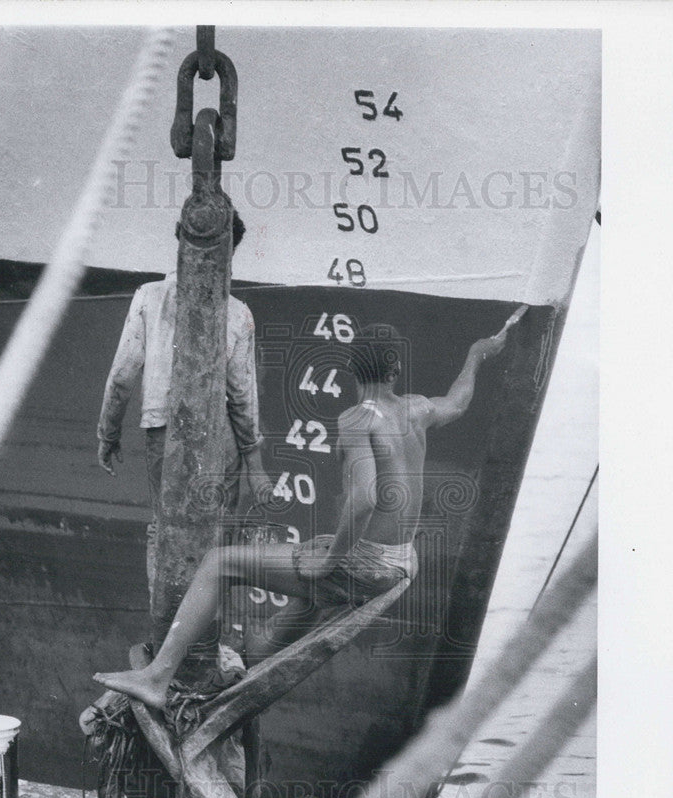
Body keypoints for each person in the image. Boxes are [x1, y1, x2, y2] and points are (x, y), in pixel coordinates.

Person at [94, 307, 526, 710]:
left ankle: (156, 677)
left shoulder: (358, 419)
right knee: (308, 587)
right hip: (401, 561)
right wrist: (476, 355)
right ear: (395, 369)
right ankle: (250, 667)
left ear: (353, 369)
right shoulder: (417, 408)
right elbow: (460, 401)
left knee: (218, 563)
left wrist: (332, 559)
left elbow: (364, 500)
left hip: (368, 565)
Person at [96, 210, 273, 598]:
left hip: (163, 428)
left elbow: (124, 375)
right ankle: (203, 635)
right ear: (230, 253)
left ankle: (163, 633)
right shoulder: (238, 313)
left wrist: (108, 434)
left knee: (164, 526)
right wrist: (256, 468)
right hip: (221, 436)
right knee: (218, 535)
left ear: (180, 239)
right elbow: (242, 398)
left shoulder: (148, 296)